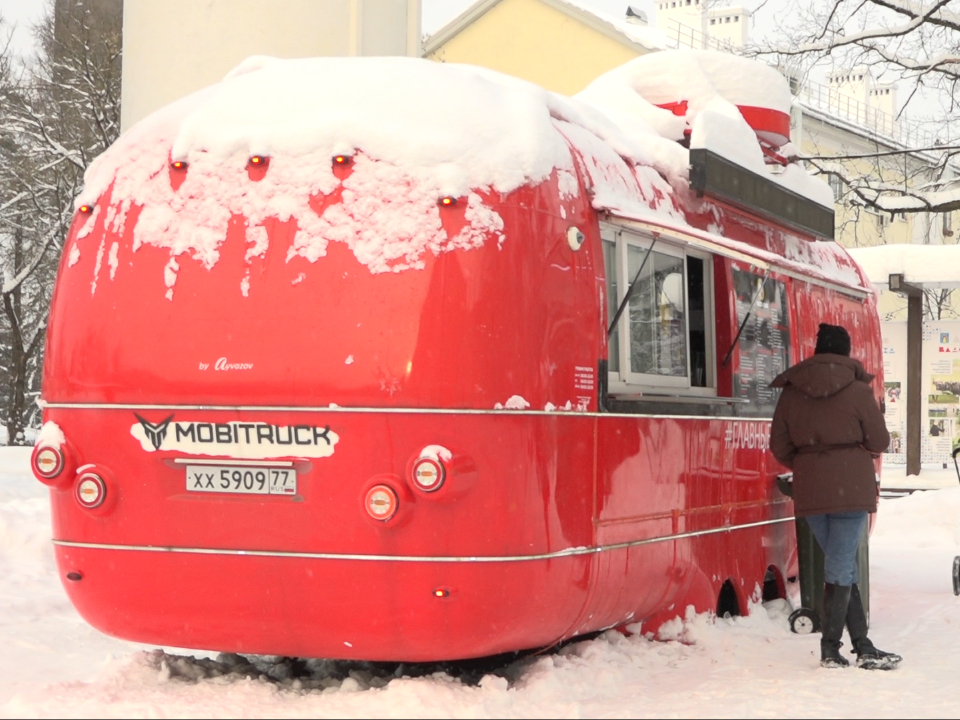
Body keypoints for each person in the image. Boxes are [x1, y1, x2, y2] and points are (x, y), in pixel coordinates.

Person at [770, 323, 902, 670]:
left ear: (817, 351)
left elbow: (779, 446)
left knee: (839, 564)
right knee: (841, 565)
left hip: (811, 491)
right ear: (845, 353)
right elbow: (879, 442)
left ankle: (863, 645)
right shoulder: (858, 392)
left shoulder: (792, 391)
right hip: (851, 489)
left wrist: (811, 461)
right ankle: (830, 648)